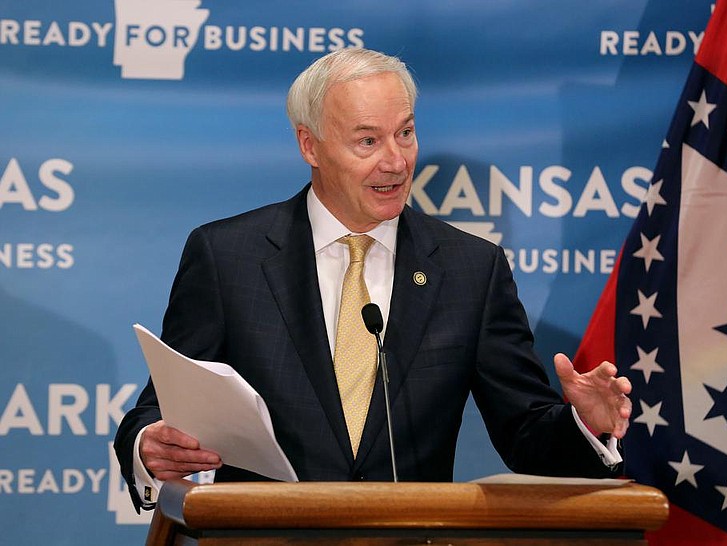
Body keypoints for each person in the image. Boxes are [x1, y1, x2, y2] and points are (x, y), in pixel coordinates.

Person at [114, 47, 632, 511]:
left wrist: (585, 425)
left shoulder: (471, 269)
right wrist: (148, 445)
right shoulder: (229, 257)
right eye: (367, 140)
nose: (397, 160)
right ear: (310, 146)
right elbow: (158, 407)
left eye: (405, 132)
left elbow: (525, 434)